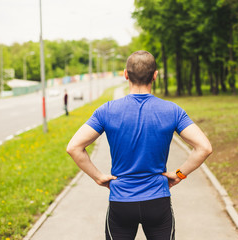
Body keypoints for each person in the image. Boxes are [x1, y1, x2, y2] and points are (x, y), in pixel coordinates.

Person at [66, 50, 212, 240]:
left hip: (121, 202)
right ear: (155, 75)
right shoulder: (172, 110)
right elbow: (204, 148)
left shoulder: (107, 111)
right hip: (158, 201)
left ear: (126, 74)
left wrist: (98, 177)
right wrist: (179, 175)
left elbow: (74, 147)